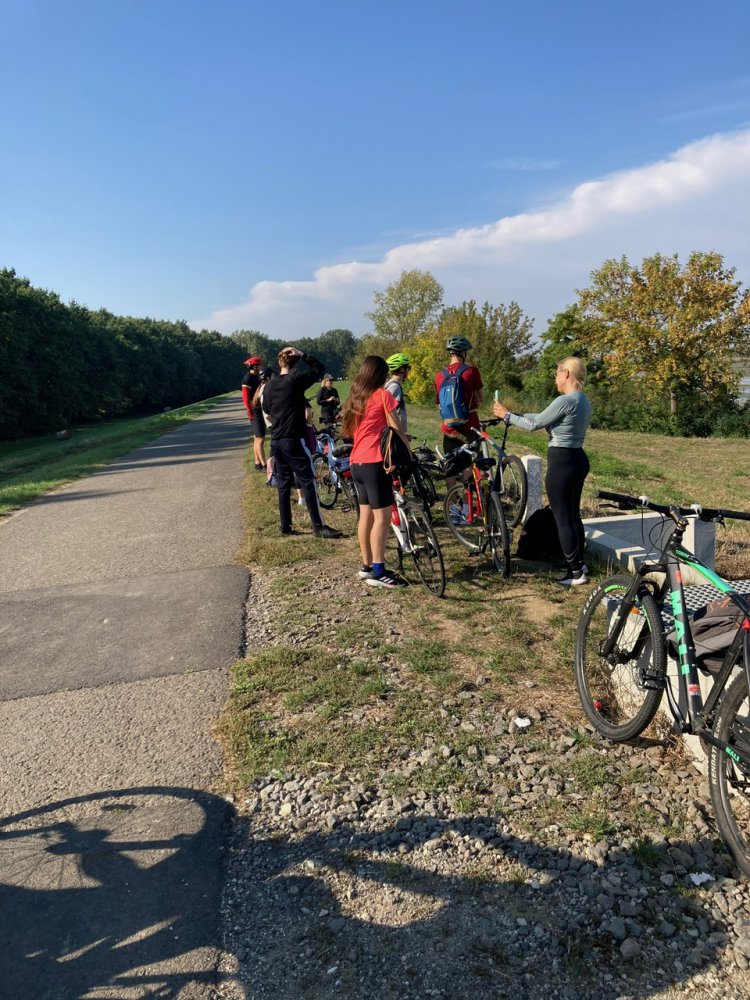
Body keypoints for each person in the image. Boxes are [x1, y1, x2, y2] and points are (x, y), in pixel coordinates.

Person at [493, 356, 591, 587]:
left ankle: (575, 572)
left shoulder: (565, 400)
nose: (555, 378)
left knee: (562, 518)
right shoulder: (582, 400)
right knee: (573, 515)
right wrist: (515, 415)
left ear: (566, 373)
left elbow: (534, 425)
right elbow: (539, 418)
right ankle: (579, 562)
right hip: (577, 458)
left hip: (561, 462)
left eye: (557, 373)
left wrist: (507, 416)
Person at [342, 355, 412, 588]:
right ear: (380, 375)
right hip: (374, 462)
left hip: (357, 463)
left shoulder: (356, 398)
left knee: (365, 517)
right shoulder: (384, 395)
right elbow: (396, 427)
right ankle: (380, 571)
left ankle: (367, 566)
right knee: (382, 518)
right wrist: (408, 450)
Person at [262, 347, 342, 539]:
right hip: (293, 439)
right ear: (296, 365)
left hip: (277, 440)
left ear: (280, 363)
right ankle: (318, 525)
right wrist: (303, 354)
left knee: (283, 483)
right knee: (308, 481)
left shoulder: (270, 386)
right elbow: (319, 368)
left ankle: (285, 525)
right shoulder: (295, 380)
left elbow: (266, 410)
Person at [434, 337, 484, 459]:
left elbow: (439, 403)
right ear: (463, 353)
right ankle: (468, 477)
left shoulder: (439, 376)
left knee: (451, 466)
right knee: (470, 463)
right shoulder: (472, 371)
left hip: (448, 426)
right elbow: (481, 398)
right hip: (469, 425)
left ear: (450, 353)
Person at [241, 356, 266, 470]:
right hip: (254, 411)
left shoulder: (257, 377)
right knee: (260, 438)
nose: (262, 366)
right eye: (260, 365)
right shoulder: (248, 379)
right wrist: (250, 411)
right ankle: (265, 465)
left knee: (257, 437)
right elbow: (245, 398)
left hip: (258, 409)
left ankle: (257, 463)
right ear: (254, 366)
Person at [384, 353, 412, 435]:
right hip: (395, 435)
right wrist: (401, 433)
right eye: (408, 368)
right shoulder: (394, 387)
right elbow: (388, 413)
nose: (409, 371)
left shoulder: (391, 385)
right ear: (402, 369)